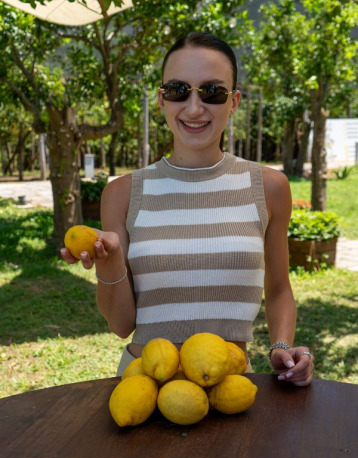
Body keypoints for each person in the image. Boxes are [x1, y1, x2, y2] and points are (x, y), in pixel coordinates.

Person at [61, 32, 314, 386]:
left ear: (234, 101)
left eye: (212, 92)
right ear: (162, 99)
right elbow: (121, 325)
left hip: (231, 386)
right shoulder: (122, 193)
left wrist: (282, 346)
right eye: (179, 90)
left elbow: (278, 289)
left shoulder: (269, 187)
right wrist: (110, 259)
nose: (194, 108)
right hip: (144, 385)